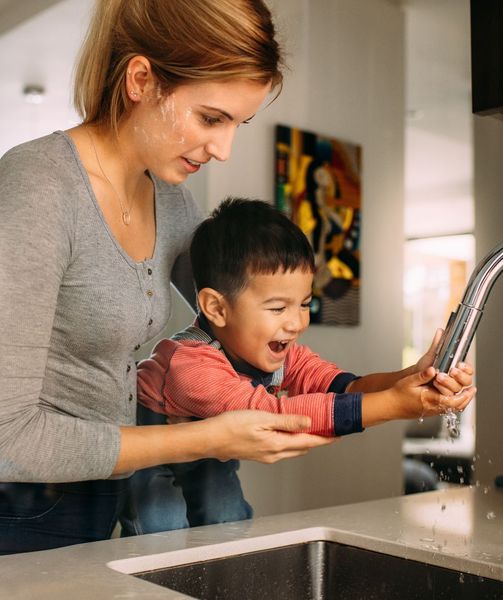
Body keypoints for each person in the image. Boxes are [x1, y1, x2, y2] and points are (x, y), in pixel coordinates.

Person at [0, 0, 336, 555]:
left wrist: (387, 387)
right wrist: (201, 439)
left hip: (99, 500)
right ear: (140, 80)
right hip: (18, 513)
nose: (224, 150)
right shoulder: (40, 187)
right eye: (211, 118)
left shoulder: (172, 201)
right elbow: (6, 438)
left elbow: (249, 317)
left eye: (237, 123)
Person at [123, 197, 476, 535]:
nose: (296, 323)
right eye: (278, 308)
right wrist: (395, 405)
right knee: (160, 527)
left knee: (227, 520)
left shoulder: (281, 353)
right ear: (216, 308)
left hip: (213, 445)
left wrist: (413, 376)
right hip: (151, 451)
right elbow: (271, 415)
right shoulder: (191, 365)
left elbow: (345, 387)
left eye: (304, 304)